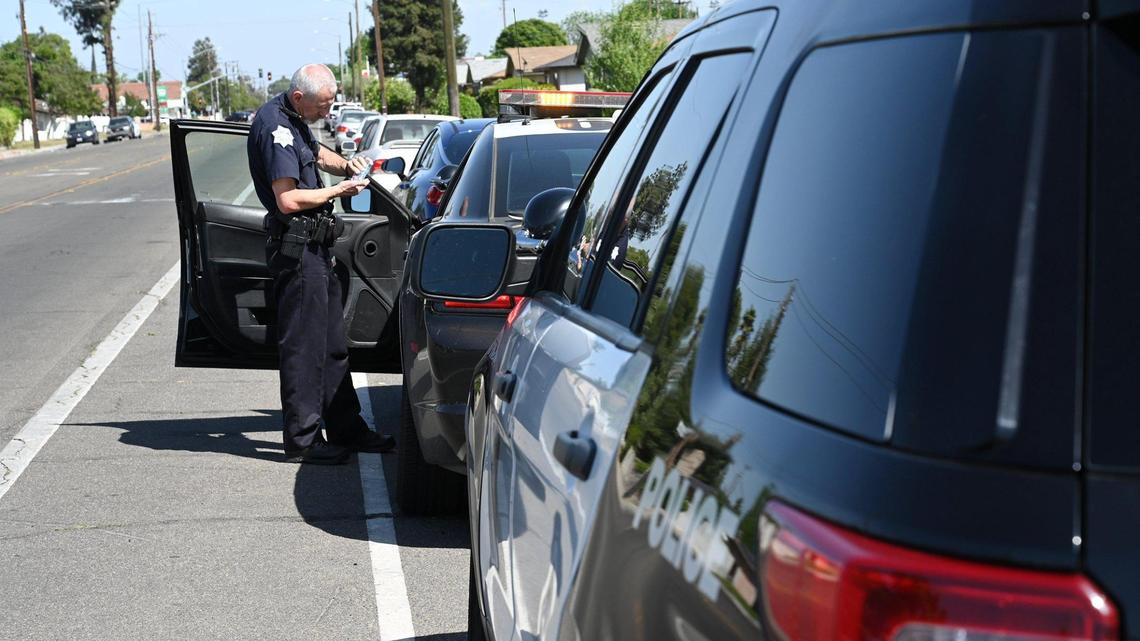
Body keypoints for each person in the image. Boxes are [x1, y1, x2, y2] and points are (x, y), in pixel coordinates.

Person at [247, 63, 395, 464]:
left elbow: (315, 153)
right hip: (297, 255)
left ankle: (348, 428)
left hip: (316, 251)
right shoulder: (276, 128)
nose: (328, 113)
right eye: (324, 105)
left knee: (332, 347)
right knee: (304, 350)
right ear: (299, 97)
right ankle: (304, 441)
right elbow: (288, 200)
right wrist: (338, 191)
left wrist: (347, 165)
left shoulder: (294, 119)